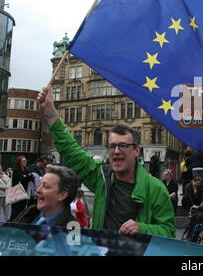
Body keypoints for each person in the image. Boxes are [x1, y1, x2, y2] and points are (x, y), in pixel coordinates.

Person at [37, 86, 176, 237]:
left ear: (137, 151)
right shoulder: (100, 177)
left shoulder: (155, 189)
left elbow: (168, 232)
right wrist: (49, 109)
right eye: (112, 146)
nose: (116, 151)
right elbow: (70, 150)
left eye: (123, 145)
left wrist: (142, 228)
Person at [14, 165, 79, 227]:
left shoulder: (71, 233)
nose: (38, 190)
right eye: (39, 184)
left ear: (62, 195)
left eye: (46, 186)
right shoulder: (29, 212)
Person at [10, 155, 33, 221]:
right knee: (15, 210)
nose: (25, 162)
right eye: (23, 161)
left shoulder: (26, 170)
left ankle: (18, 223)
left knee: (22, 210)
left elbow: (31, 177)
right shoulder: (16, 170)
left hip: (24, 193)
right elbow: (22, 178)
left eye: (25, 161)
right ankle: (12, 223)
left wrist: (26, 176)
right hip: (17, 193)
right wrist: (26, 176)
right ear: (19, 162)